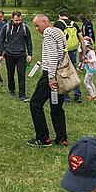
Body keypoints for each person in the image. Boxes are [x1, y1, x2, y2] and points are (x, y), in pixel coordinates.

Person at [28, 14, 68, 147]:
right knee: (56, 106)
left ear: (45, 22)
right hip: (61, 72)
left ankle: (43, 138)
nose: (36, 29)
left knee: (35, 104)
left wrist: (50, 78)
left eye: (37, 25)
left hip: (50, 74)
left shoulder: (48, 33)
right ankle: (62, 137)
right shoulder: (59, 31)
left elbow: (52, 56)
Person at [0, 11, 33, 102]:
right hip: (9, 54)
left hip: (21, 54)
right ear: (12, 18)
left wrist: (30, 54)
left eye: (19, 20)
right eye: (16, 20)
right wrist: (0, 54)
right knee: (10, 73)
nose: (18, 22)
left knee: (21, 75)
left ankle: (22, 95)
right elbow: (1, 40)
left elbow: (29, 41)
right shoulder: (5, 27)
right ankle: (12, 90)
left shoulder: (25, 27)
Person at [56, 10, 85, 102]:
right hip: (72, 51)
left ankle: (66, 97)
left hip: (62, 52)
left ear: (59, 15)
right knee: (73, 72)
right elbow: (82, 40)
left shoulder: (58, 24)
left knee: (63, 73)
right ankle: (77, 95)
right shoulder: (74, 24)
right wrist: (83, 53)